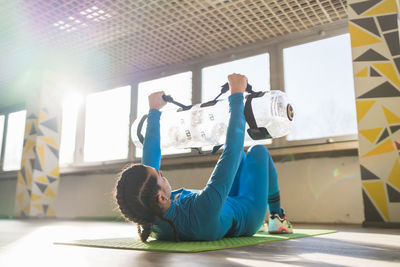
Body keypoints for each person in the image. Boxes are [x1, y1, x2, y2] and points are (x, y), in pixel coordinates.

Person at [115, 73, 293, 242]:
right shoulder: (202, 211)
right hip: (248, 212)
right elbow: (231, 151)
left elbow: (149, 162)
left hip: (224, 205)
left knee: (239, 155)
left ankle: (273, 215)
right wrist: (237, 95)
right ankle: (277, 217)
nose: (160, 172)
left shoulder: (147, 213)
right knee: (257, 151)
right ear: (161, 198)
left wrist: (154, 111)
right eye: (160, 175)